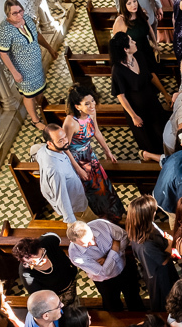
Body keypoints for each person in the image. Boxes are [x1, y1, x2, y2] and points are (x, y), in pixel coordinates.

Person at [64, 86, 125, 223]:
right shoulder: (70, 122)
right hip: (77, 161)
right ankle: (100, 220)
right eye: (87, 103)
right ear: (77, 106)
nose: (92, 105)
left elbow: (96, 131)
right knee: (92, 192)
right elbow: (65, 148)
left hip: (90, 156)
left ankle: (113, 215)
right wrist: (78, 169)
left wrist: (107, 150)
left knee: (103, 186)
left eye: (92, 101)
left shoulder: (91, 113)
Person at [0, 0, 56, 132]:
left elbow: (37, 35)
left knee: (39, 89)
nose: (19, 15)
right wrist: (14, 72)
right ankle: (35, 121)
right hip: (22, 69)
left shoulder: (27, 19)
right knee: (29, 95)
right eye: (14, 13)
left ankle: (44, 108)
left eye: (20, 11)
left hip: (36, 64)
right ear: (8, 15)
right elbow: (3, 54)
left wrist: (49, 48)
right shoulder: (5, 31)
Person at [110, 32, 167, 163]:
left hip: (152, 102)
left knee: (161, 131)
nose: (135, 42)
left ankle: (167, 156)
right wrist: (133, 116)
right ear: (125, 49)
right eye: (131, 42)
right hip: (137, 110)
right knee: (148, 139)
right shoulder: (117, 70)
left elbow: (151, 76)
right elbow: (121, 96)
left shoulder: (139, 56)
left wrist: (165, 94)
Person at [67, 219, 147, 311]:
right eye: (85, 244)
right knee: (112, 307)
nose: (92, 243)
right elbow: (104, 271)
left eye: (92, 238)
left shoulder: (101, 224)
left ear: (90, 228)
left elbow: (124, 237)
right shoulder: (75, 255)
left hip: (124, 268)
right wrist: (115, 248)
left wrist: (108, 258)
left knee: (134, 299)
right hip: (105, 282)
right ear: (72, 241)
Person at [124, 195, 177, 307]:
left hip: (157, 264)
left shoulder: (143, 226)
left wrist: (164, 237)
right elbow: (163, 261)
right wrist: (170, 245)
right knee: (166, 300)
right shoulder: (145, 245)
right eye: (153, 212)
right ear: (146, 216)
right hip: (160, 275)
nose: (155, 213)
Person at [33, 126, 92, 224]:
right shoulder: (56, 170)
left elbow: (36, 153)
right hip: (76, 206)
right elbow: (62, 197)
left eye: (65, 137)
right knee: (94, 222)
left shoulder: (44, 150)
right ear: (50, 143)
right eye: (60, 141)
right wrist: (72, 223)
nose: (65, 141)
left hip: (76, 192)